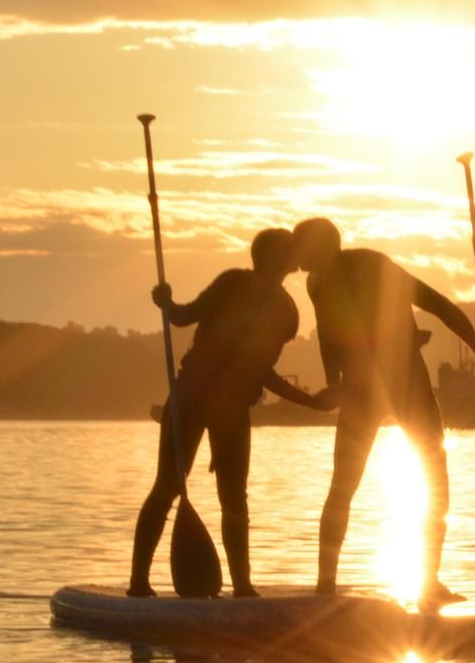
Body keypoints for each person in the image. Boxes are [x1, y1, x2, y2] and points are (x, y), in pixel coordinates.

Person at [290, 217, 475, 609]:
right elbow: (327, 336)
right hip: (365, 391)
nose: (295, 254)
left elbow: (437, 305)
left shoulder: (370, 265)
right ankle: (325, 586)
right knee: (345, 485)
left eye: (301, 245)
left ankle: (427, 584)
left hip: (404, 385)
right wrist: (332, 381)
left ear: (322, 245)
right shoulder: (315, 282)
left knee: (432, 477)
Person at [130, 227, 330, 598]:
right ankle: (142, 583)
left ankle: (239, 586)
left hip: (226, 408)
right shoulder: (244, 288)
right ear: (275, 259)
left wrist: (312, 402)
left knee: (225, 497)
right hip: (193, 401)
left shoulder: (285, 311)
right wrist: (167, 302)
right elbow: (185, 317)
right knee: (176, 488)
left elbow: (257, 367)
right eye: (289, 251)